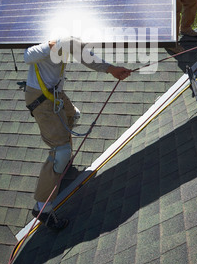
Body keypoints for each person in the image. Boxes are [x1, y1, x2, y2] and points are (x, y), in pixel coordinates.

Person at [24, 36, 131, 230]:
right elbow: (27, 56)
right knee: (61, 150)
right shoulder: (46, 48)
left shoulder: (69, 43)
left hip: (54, 93)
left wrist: (113, 69)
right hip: (40, 98)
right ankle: (42, 208)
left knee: (73, 116)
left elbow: (89, 59)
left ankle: (63, 165)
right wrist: (49, 47)